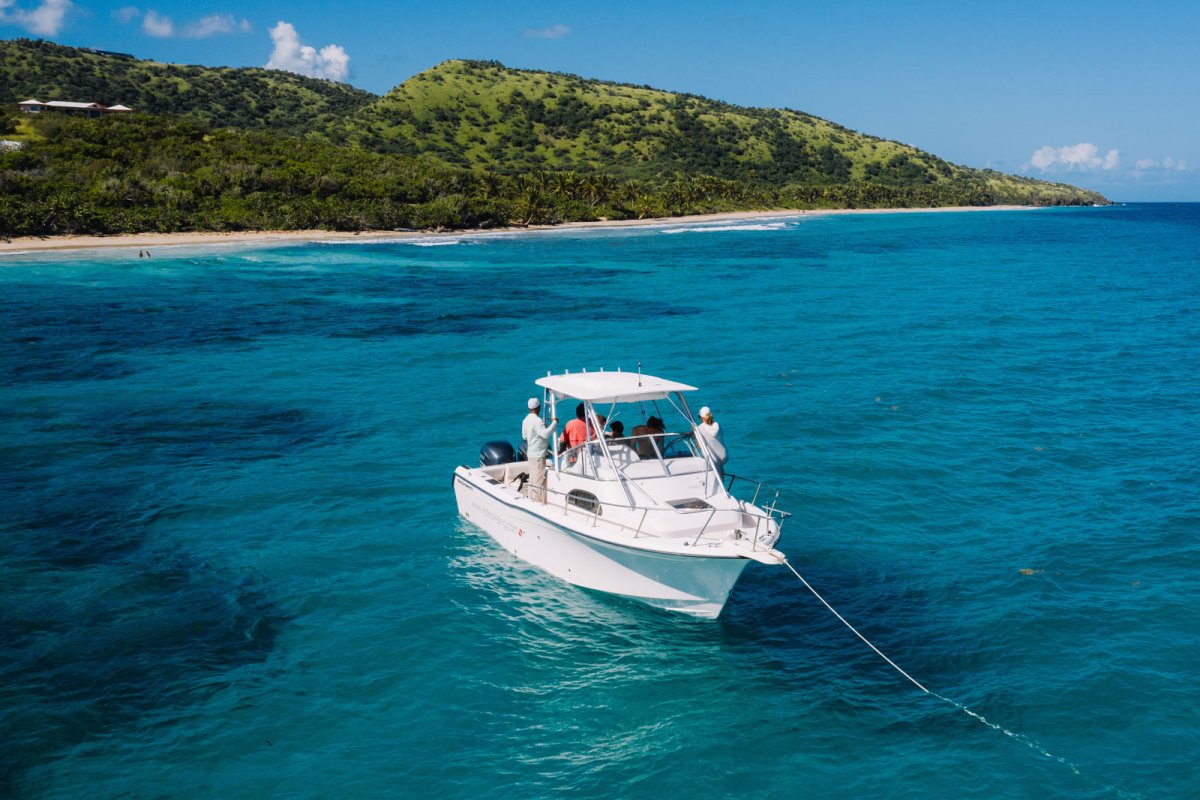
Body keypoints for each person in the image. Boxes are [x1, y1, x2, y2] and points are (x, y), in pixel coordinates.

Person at [522, 398, 557, 502]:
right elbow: (545, 434)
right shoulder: (537, 421)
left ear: (529, 408)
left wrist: (534, 435)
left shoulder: (525, 420)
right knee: (537, 481)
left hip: (531, 454)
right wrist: (554, 423)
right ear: (538, 407)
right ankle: (536, 503)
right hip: (538, 455)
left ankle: (530, 499)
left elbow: (524, 436)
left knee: (532, 479)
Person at [696, 406, 727, 478]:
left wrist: (695, 432)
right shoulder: (717, 425)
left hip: (712, 459)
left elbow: (699, 445)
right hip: (722, 456)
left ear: (701, 417)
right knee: (720, 473)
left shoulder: (699, 428)